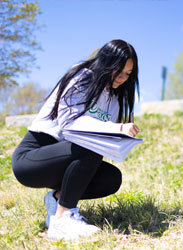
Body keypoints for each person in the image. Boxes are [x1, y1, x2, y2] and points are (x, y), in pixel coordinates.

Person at [11, 39, 140, 239]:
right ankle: (63, 219)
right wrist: (116, 128)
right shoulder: (82, 76)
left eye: (128, 74)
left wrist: (120, 137)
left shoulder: (113, 100)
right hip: (32, 158)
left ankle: (57, 199)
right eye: (119, 71)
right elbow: (69, 124)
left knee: (111, 178)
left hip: (66, 158)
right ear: (106, 62)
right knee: (92, 141)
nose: (123, 78)